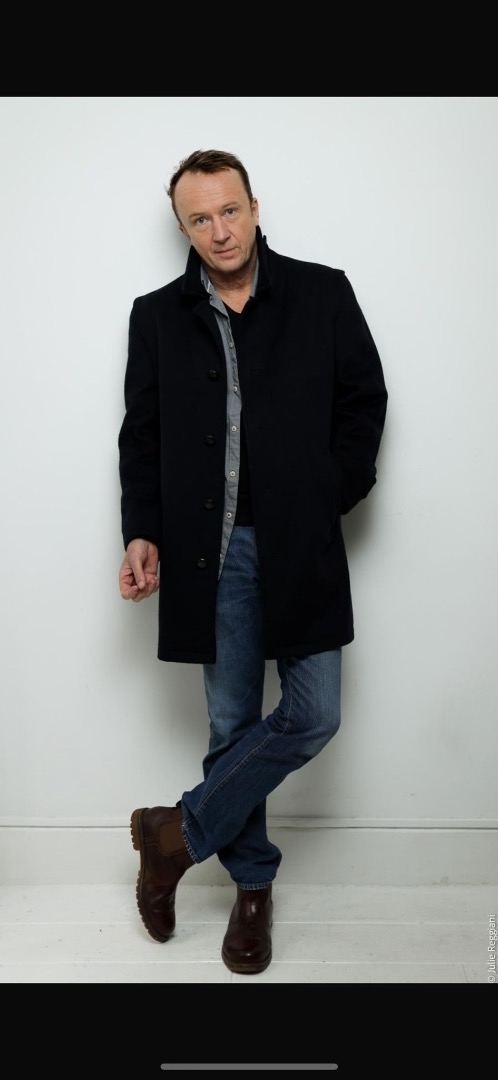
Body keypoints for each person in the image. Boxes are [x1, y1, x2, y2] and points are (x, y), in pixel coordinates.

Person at [118, 148, 388, 975]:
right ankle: (253, 888)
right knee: (232, 722)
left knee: (314, 714)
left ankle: (175, 833)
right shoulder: (156, 316)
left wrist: (327, 491)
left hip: (301, 541)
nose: (219, 231)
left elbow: (365, 400)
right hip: (212, 550)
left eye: (229, 210)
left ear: (255, 207)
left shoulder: (323, 292)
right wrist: (141, 530)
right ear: (183, 227)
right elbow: (142, 435)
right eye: (199, 219)